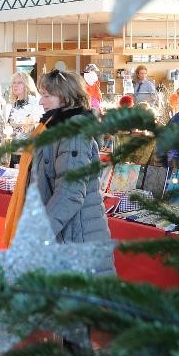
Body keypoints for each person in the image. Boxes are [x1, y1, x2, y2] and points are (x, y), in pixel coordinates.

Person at [31, 69, 114, 267]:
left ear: (65, 98)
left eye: (47, 96)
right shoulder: (55, 129)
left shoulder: (74, 135)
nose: (41, 102)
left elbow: (70, 193)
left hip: (78, 238)